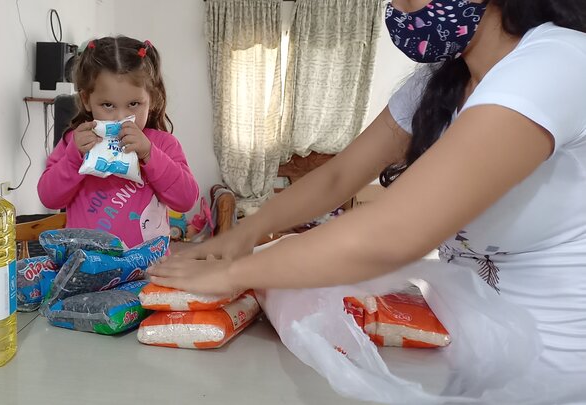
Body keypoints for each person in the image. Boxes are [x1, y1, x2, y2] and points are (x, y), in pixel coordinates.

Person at [150, 0, 586, 376]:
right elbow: (339, 177)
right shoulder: (441, 84)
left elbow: (397, 230)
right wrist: (241, 238)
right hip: (450, 346)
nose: (397, 10)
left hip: (550, 366)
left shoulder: (556, 61)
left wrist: (231, 273)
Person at [37, 36, 200, 249]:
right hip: (88, 269)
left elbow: (186, 200)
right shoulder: (74, 143)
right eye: (108, 105)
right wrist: (73, 158)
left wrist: (150, 154)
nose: (120, 117)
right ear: (86, 100)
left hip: (149, 270)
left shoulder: (163, 145)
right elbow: (48, 198)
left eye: (133, 104)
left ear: (153, 99)